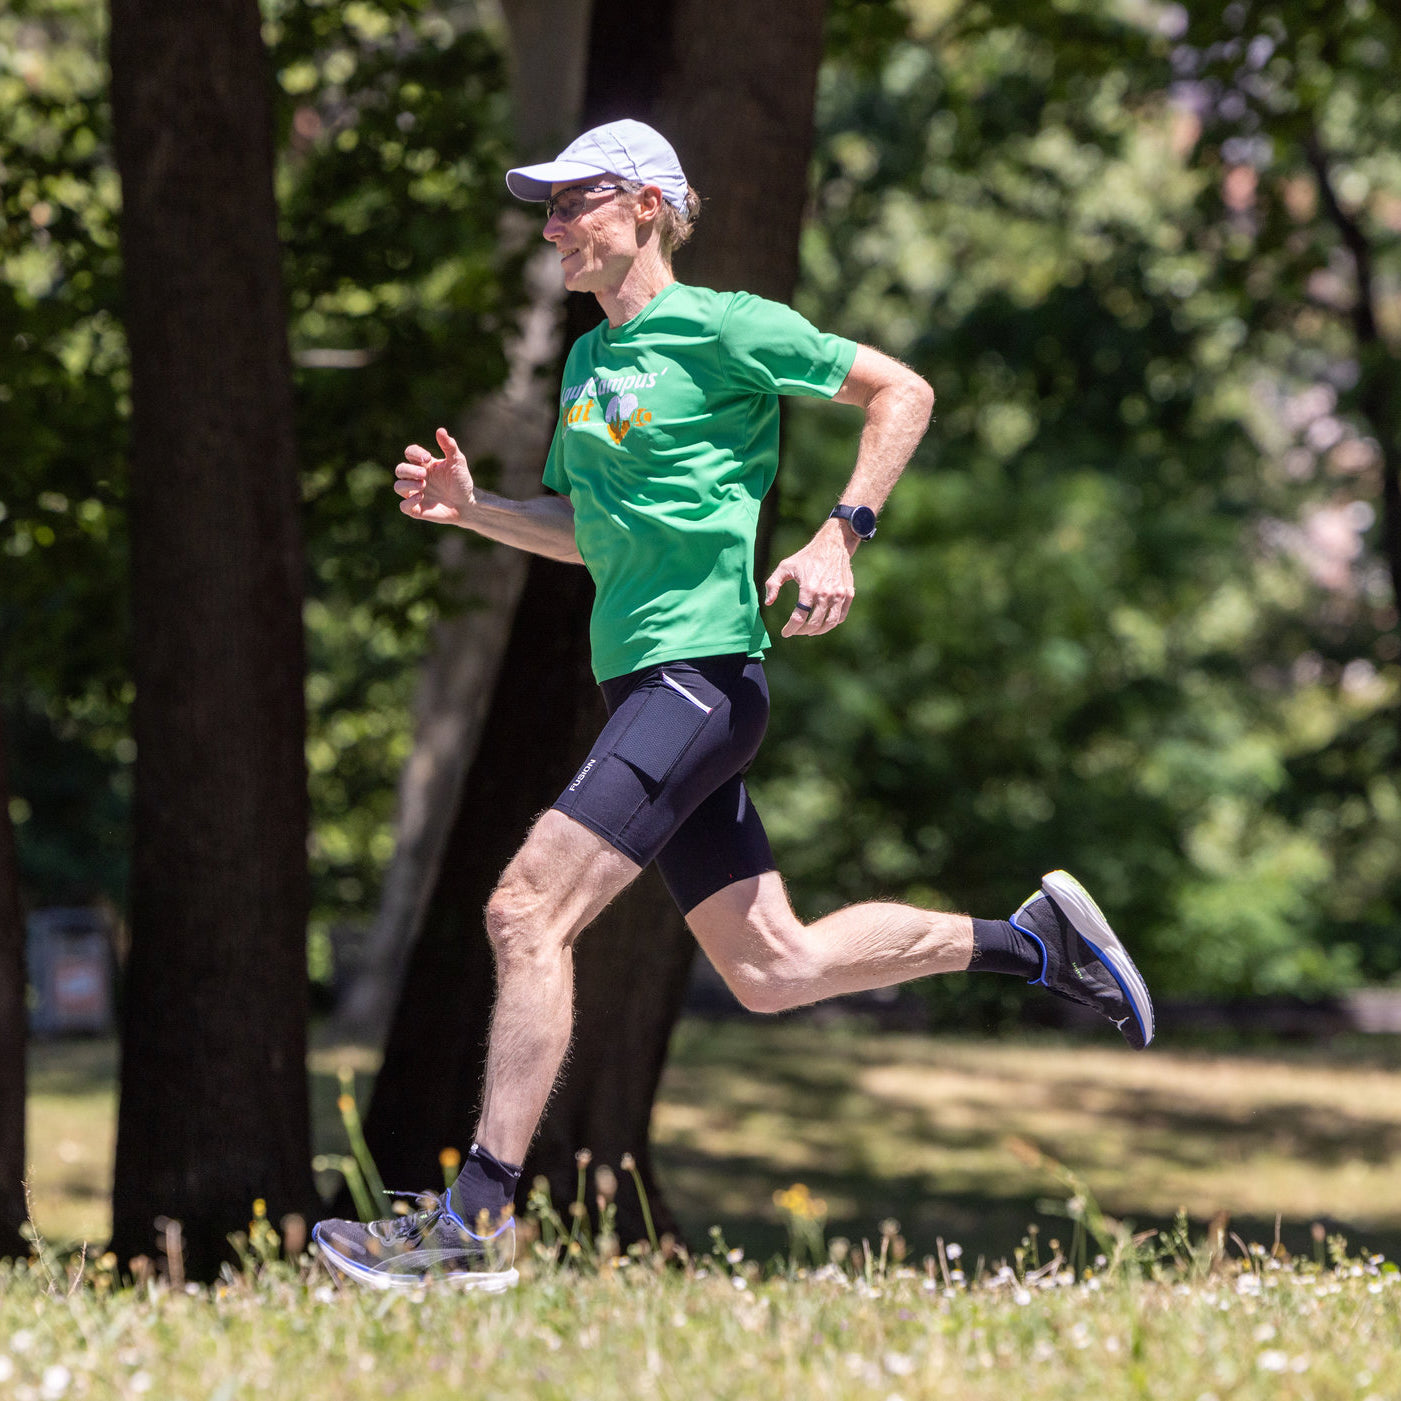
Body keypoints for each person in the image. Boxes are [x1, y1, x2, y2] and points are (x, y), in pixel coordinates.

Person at [313, 119, 1155, 1292]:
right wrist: (476, 510)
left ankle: (478, 1222)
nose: (551, 225)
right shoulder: (589, 363)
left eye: (575, 202)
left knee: (524, 914)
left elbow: (899, 391)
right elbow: (584, 533)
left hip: (699, 676)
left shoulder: (724, 326)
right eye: (544, 207)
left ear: (650, 205)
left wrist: (837, 532)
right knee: (774, 970)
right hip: (646, 680)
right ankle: (1030, 944)